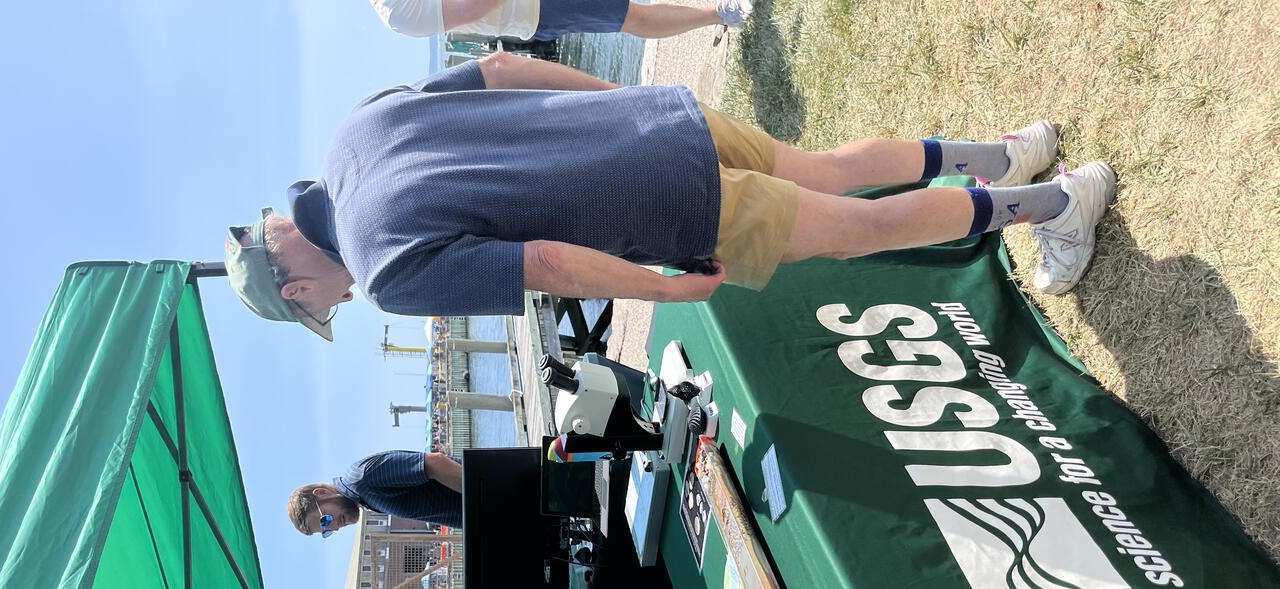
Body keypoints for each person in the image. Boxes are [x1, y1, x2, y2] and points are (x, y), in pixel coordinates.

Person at [222, 57, 1113, 327]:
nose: (335, 302)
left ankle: (1060, 204)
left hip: (669, 210)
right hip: (658, 124)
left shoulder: (384, 275)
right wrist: (626, 104)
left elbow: (544, 263)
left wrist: (661, 288)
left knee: (860, 228)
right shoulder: (354, 131)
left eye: (315, 306)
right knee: (838, 168)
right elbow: (499, 69)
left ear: (296, 284)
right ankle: (1009, 153)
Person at [368, 0, 751, 44]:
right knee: (631, 16)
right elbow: (477, 7)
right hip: (536, 10)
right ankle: (722, 14)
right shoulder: (400, 13)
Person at [288, 449, 462, 535]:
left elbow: (434, 463)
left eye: (325, 520)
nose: (335, 526)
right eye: (327, 530)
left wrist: (484, 495)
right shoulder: (365, 497)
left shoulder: (362, 479)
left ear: (322, 493)